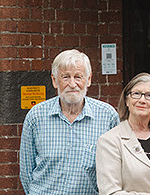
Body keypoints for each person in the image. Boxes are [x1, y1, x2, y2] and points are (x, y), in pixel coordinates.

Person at [20, 49, 119, 195]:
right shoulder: (36, 116)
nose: (72, 84)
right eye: (65, 77)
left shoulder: (107, 116)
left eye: (78, 77)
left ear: (89, 79)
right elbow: (26, 171)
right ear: (54, 80)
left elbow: (116, 169)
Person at [96, 72, 150, 195]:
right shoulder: (109, 141)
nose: (142, 100)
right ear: (127, 100)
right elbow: (110, 192)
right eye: (136, 94)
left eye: (149, 95)